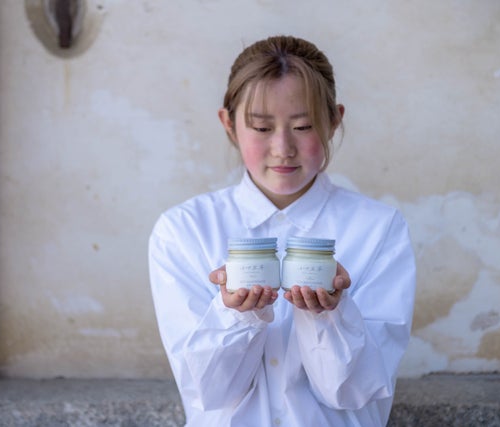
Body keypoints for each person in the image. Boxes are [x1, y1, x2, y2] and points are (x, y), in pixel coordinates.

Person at [148, 35, 416, 427]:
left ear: (334, 120)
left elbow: (355, 391)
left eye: (303, 126)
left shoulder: (378, 229)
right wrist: (235, 314)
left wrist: (331, 315)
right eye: (261, 127)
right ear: (229, 123)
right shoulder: (184, 230)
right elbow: (208, 392)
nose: (282, 148)